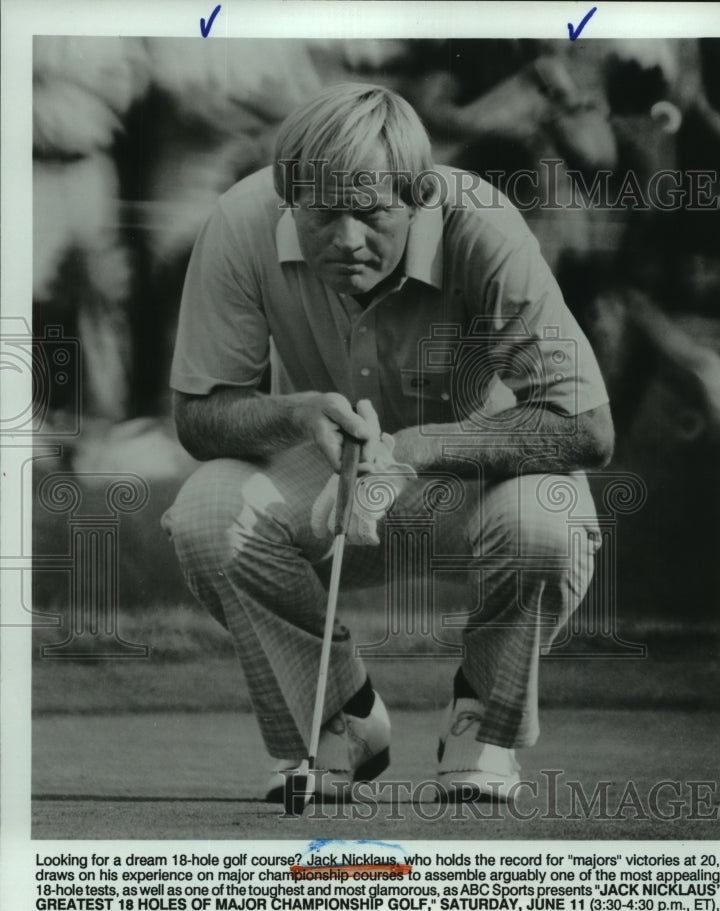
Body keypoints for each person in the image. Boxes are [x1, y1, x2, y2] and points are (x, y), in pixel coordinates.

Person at [161, 82, 614, 806]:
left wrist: (412, 449)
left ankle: (480, 716)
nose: (345, 240)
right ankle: (341, 713)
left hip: (476, 472)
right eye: (321, 214)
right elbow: (198, 417)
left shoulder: (484, 227)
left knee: (548, 520)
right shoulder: (239, 221)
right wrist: (297, 414)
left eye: (371, 214)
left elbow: (585, 429)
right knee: (207, 511)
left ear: (418, 195)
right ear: (287, 196)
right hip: (327, 473)